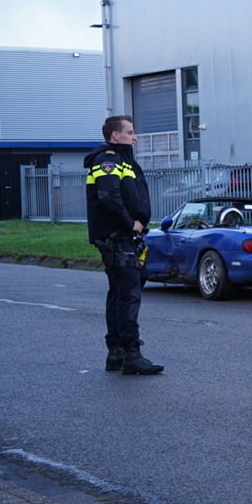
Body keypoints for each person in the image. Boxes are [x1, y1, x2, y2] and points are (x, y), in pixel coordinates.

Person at [85, 115, 163, 375]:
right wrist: (131, 223)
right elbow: (109, 195)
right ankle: (131, 353)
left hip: (119, 236)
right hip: (117, 236)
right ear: (115, 136)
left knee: (118, 294)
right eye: (130, 132)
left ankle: (116, 353)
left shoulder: (121, 160)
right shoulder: (107, 160)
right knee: (129, 295)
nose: (135, 137)